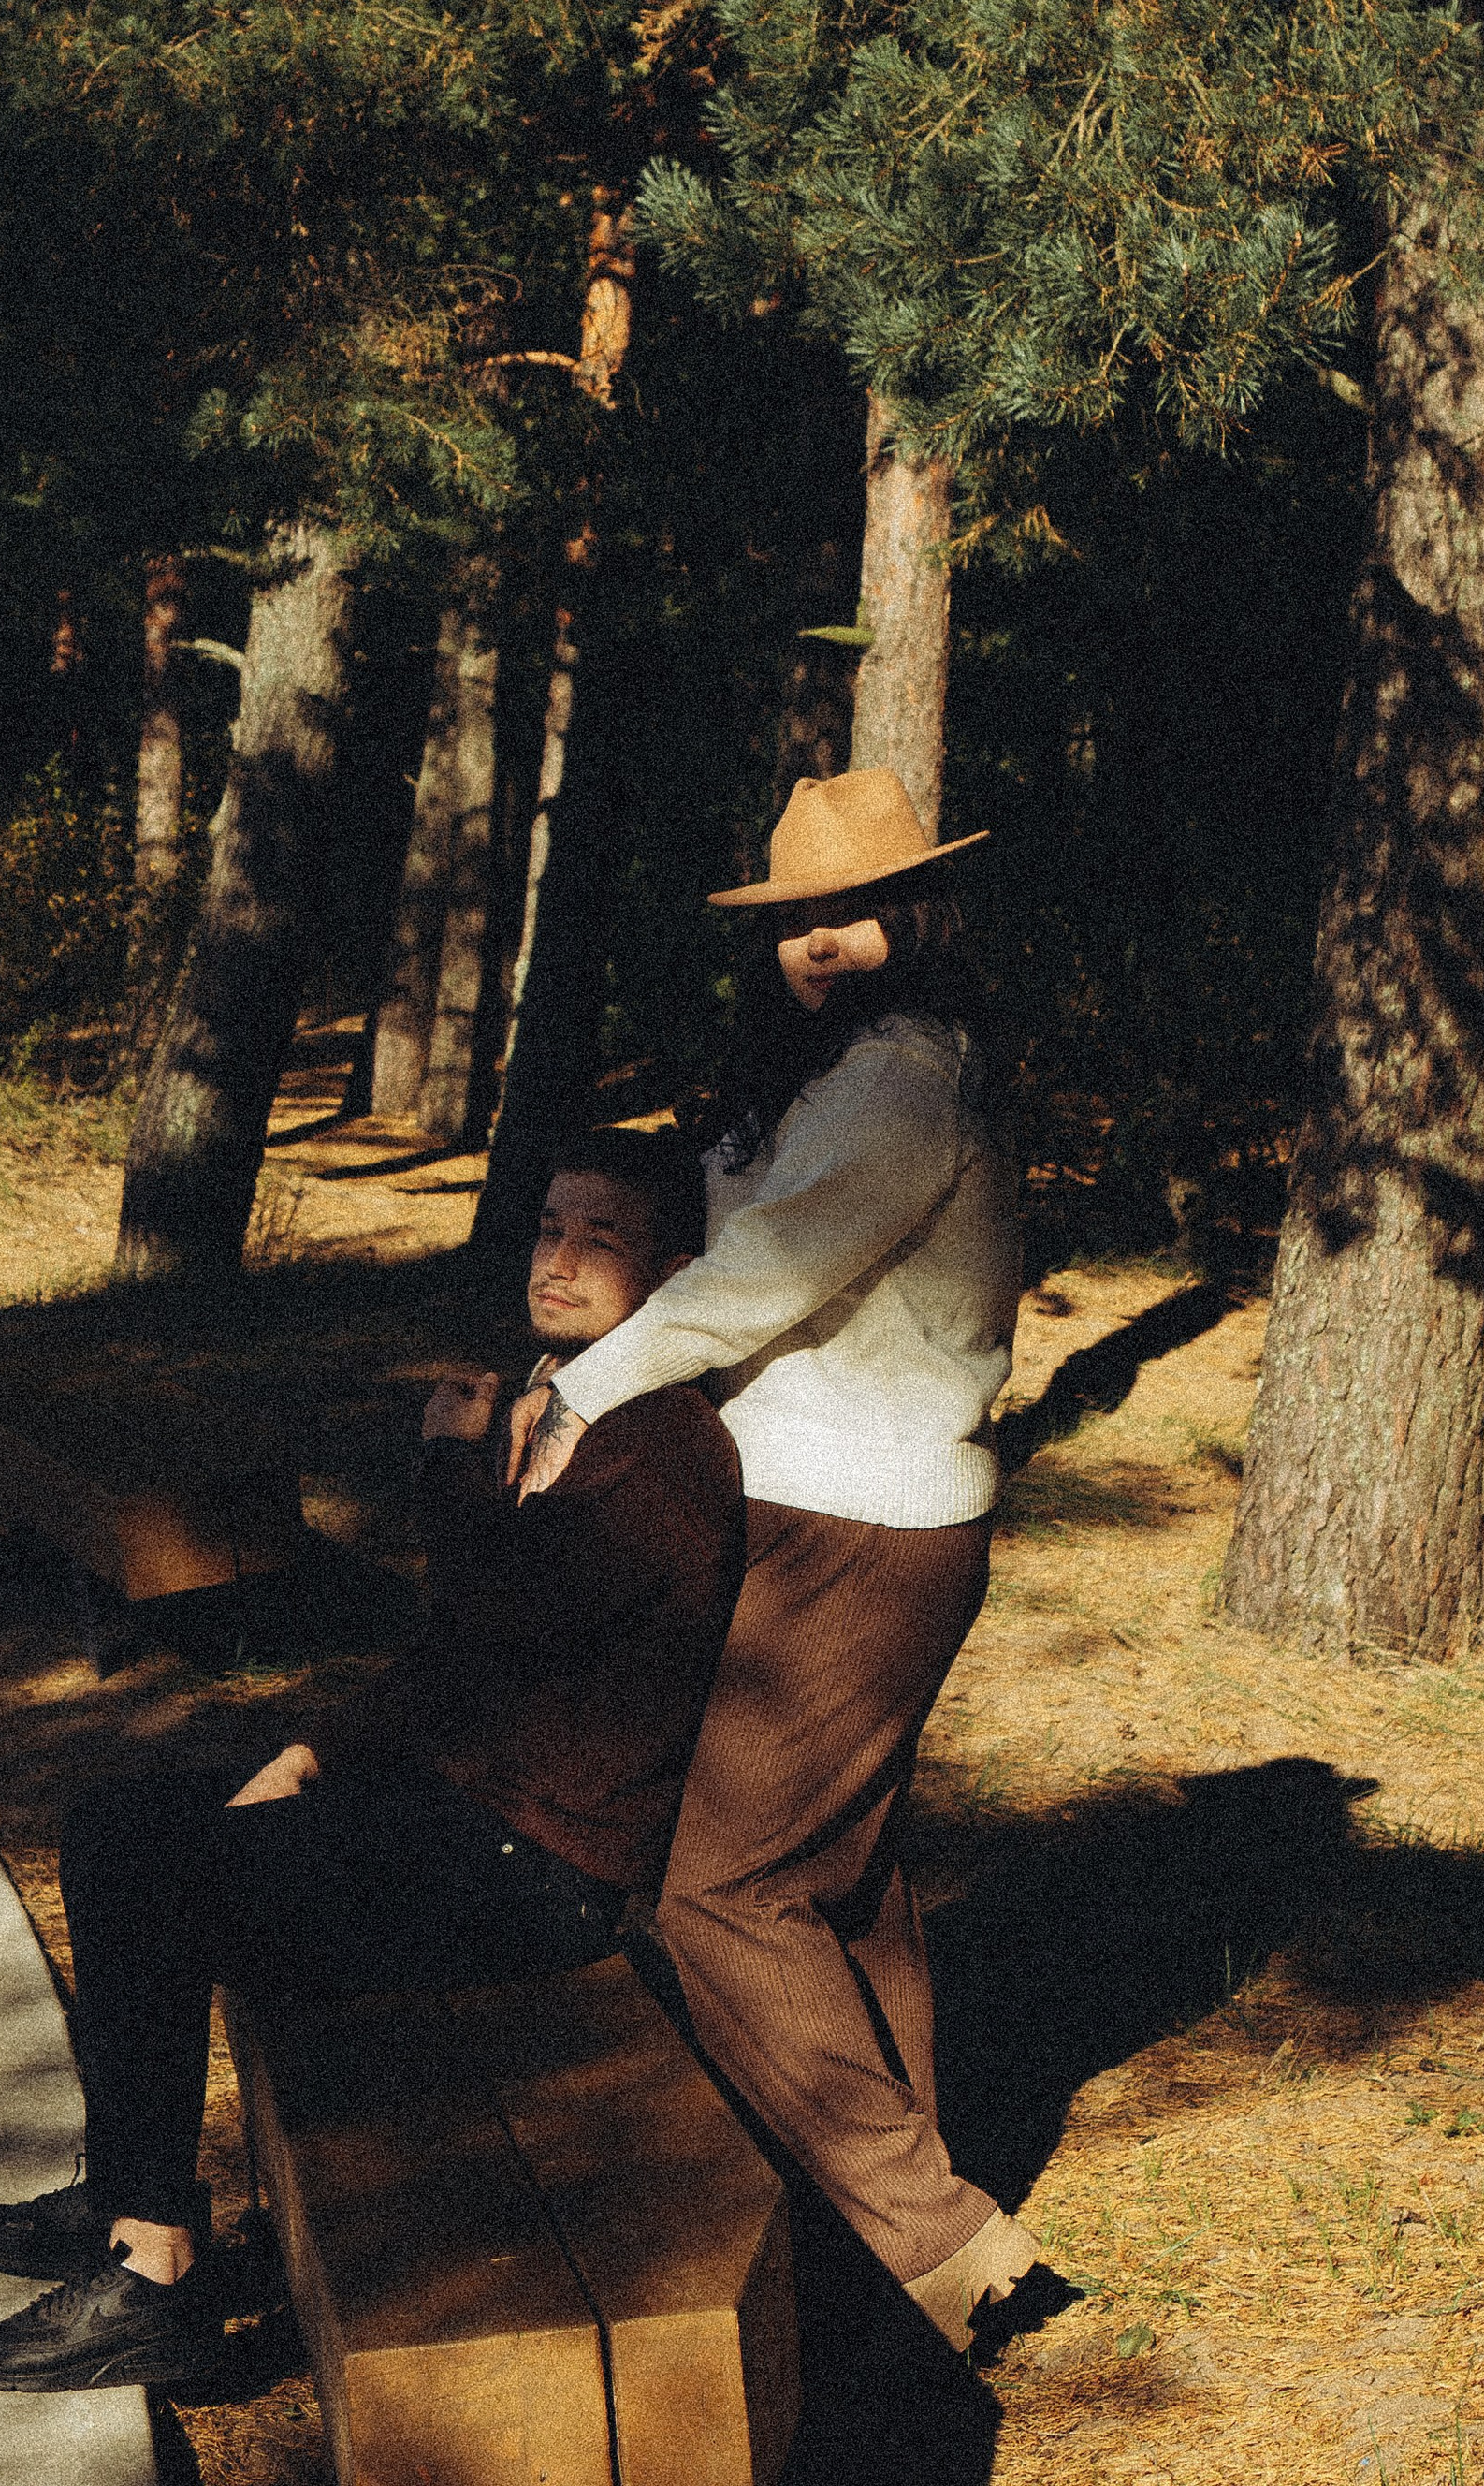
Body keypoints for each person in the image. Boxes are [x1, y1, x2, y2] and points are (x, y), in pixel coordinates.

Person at [0, 1127, 739, 2396]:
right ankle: (128, 2201)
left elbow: (500, 1617)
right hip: (455, 1809)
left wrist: (445, 1465)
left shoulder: (665, 1449)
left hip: (541, 1867)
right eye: (549, 1228)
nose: (564, 1261)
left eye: (604, 1241)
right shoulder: (558, 1402)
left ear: (679, 1274)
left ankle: (151, 2272)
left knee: (171, 1871)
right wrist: (312, 1749)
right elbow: (453, 1661)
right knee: (114, 1823)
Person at [516, 766, 1031, 2356]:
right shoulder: (834, 1077)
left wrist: (576, 1390)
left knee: (718, 1889)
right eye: (802, 919)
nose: (825, 942)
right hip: (820, 1507)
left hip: (866, 1522)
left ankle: (943, 2251)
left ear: (919, 919)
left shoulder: (899, 1082)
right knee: (836, 1883)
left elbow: (765, 1276)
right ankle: (884, 2217)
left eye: (857, 914)